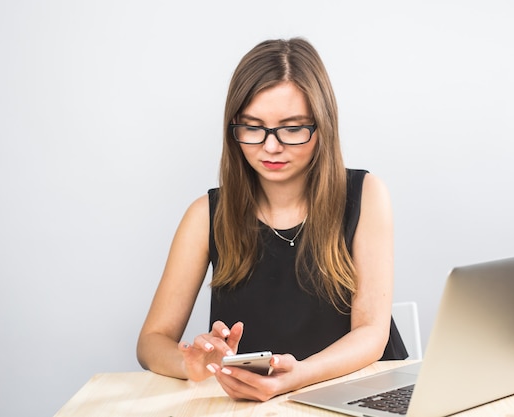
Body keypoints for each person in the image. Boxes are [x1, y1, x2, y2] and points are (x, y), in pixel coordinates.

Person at [136, 37, 407, 402]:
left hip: (359, 393)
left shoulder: (367, 194)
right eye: (253, 127)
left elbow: (372, 334)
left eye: (292, 128)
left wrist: (299, 376)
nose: (271, 146)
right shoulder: (205, 215)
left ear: (322, 125)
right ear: (234, 127)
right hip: (258, 405)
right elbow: (151, 342)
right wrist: (192, 364)